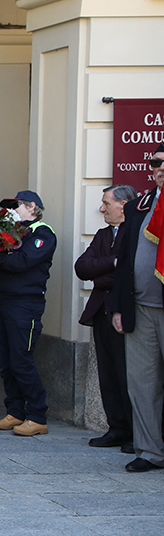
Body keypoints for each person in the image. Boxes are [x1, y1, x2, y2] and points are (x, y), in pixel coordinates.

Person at [0, 190, 57, 436]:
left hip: (24, 305)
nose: (12, 210)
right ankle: (15, 411)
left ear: (32, 207)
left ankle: (37, 415)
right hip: (2, 301)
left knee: (21, 360)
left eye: (17, 206)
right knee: (6, 361)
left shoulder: (42, 234)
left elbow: (22, 262)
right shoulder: (13, 232)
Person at [112, 145, 164, 473]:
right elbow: (124, 261)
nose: (161, 168)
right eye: (157, 162)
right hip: (141, 307)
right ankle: (150, 451)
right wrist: (119, 306)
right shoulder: (139, 206)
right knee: (142, 383)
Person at [76, 184, 135, 451]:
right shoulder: (102, 235)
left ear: (123, 205)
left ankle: (136, 432)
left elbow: (130, 272)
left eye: (106, 203)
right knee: (108, 374)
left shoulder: (135, 232)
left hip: (123, 312)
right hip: (101, 311)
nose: (101, 208)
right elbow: (82, 267)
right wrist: (111, 263)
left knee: (127, 375)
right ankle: (117, 428)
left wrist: (104, 272)